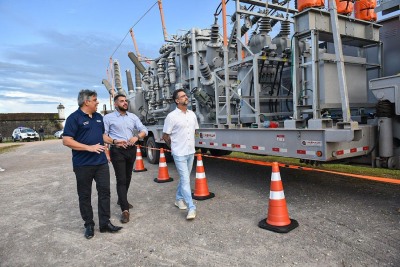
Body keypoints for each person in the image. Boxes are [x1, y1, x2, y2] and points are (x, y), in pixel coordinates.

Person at [63, 89, 122, 239]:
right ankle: (89, 225)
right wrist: (89, 148)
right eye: (95, 100)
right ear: (86, 101)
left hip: (101, 163)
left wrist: (114, 141)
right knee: (84, 195)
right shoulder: (73, 118)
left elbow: (102, 136)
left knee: (105, 193)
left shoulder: (98, 117)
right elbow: (67, 140)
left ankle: (104, 223)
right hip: (82, 165)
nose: (97, 103)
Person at [103, 94, 148, 224]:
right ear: (115, 104)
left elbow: (143, 129)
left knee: (128, 177)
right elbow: (104, 135)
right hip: (117, 151)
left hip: (131, 150)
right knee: (121, 179)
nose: (125, 103)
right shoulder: (108, 118)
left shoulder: (133, 117)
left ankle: (121, 199)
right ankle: (125, 210)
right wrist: (114, 142)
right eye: (121, 101)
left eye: (125, 101)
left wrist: (137, 137)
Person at [162, 89, 199, 220]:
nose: (186, 97)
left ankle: (178, 199)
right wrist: (173, 147)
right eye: (183, 96)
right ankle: (191, 207)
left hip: (190, 152)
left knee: (185, 178)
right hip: (179, 153)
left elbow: (195, 131)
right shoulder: (171, 116)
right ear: (177, 101)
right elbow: (165, 135)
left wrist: (193, 142)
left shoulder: (192, 114)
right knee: (186, 179)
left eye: (186, 96)